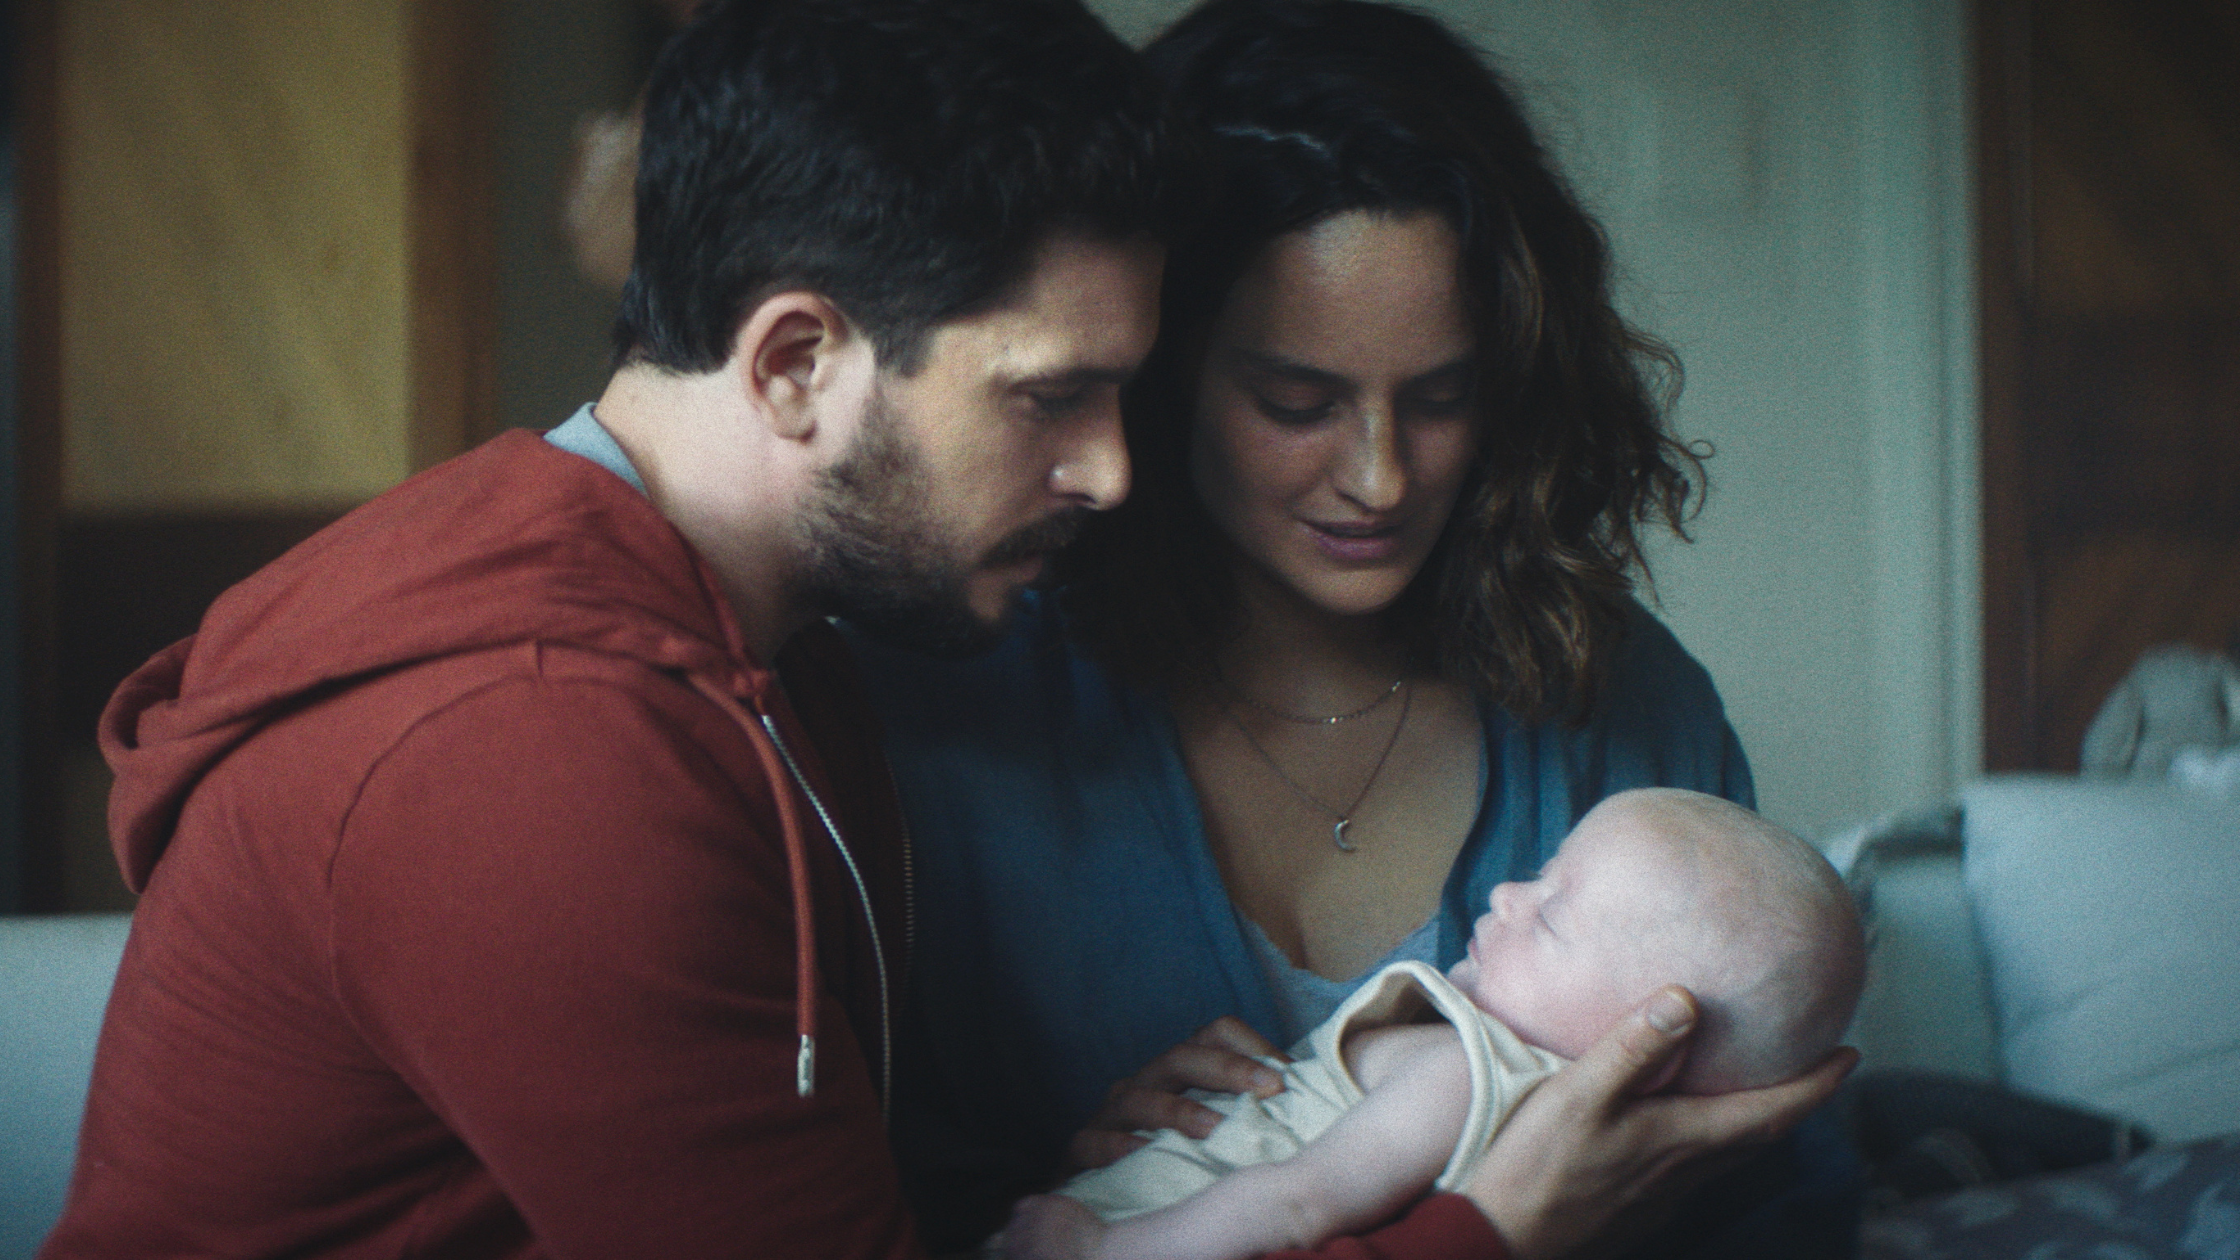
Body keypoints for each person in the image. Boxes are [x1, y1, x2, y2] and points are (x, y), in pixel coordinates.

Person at [41, 2, 1172, 1255]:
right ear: (793, 362)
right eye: (1050, 397)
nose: (1109, 473)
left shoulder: (765, 636)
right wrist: (1368, 1169)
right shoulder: (528, 753)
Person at [847, 0, 1858, 1253]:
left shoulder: (1623, 710)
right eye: (1296, 401)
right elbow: (856, 1191)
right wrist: (1106, 1175)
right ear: (1160, 381)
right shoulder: (960, 705)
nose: (1379, 477)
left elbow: (1780, 1190)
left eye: (1441, 397)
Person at [998, 789, 1867, 1260]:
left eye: (1552, 918)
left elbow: (1298, 1205)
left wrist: (1099, 1245)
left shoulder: (1462, 1079)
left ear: (1649, 1045)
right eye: (1543, 872)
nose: (1505, 895)